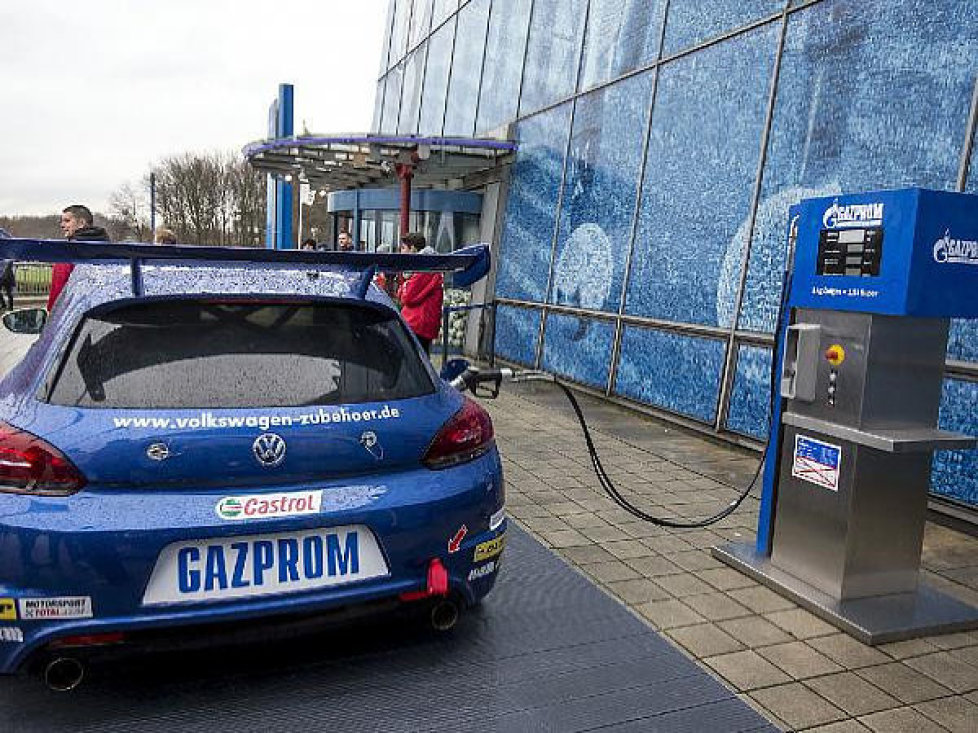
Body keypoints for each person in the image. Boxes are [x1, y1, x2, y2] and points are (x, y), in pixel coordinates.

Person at [48, 205, 111, 310]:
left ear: (81, 223)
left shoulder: (67, 254)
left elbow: (57, 296)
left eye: (67, 221)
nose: (62, 225)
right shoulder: (112, 250)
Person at [396, 232, 443, 355]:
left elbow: (407, 297)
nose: (401, 252)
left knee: (415, 361)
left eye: (403, 248)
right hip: (420, 323)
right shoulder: (424, 267)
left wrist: (404, 286)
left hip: (418, 324)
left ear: (412, 248)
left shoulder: (423, 269)